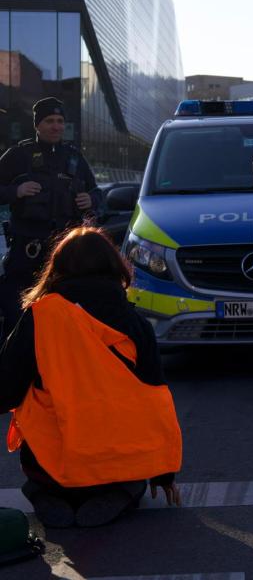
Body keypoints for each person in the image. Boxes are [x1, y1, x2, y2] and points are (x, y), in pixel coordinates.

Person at [0, 226, 182, 528]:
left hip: (52, 462)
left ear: (56, 270)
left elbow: (7, 387)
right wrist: (163, 473)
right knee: (128, 473)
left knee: (38, 408)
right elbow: (156, 402)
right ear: (115, 267)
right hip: (118, 459)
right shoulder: (134, 323)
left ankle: (49, 495)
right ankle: (119, 493)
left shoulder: (41, 316)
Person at [0, 97, 101, 339]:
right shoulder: (18, 156)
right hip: (27, 253)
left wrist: (92, 200)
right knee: (20, 316)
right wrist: (16, 191)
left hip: (67, 255)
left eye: (60, 121)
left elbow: (97, 193)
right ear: (37, 125)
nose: (56, 126)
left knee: (70, 316)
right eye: (49, 121)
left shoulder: (74, 158)